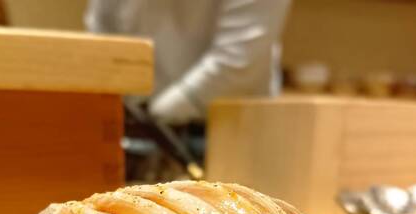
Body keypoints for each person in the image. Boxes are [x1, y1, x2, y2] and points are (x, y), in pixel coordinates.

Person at [85, 0, 291, 124]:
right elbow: (103, 40)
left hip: (226, 129)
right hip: (133, 126)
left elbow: (237, 61)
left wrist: (155, 115)